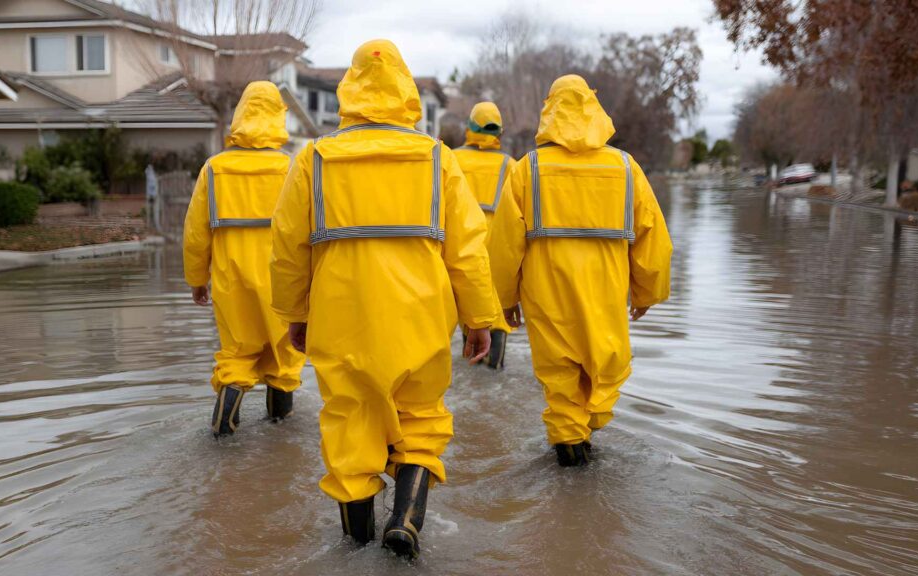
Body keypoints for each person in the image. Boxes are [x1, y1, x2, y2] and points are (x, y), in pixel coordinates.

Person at [270, 39, 497, 559]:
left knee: (350, 422)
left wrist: (295, 314)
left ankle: (355, 547)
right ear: (405, 87)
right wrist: (479, 318)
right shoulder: (437, 158)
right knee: (421, 417)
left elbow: (287, 248)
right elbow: (468, 250)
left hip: (341, 316)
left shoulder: (314, 159)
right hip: (422, 316)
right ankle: (406, 521)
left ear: (349, 86)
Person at [488, 75, 673, 467]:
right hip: (606, 294)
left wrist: (504, 301)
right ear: (594, 107)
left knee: (560, 379)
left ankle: (571, 453)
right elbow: (653, 238)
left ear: (549, 110)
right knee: (604, 369)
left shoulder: (527, 170)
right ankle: (582, 447)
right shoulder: (625, 168)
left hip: (547, 296)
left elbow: (503, 247)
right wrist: (646, 292)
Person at [183, 81, 305, 438]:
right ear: (278, 116)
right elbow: (308, 230)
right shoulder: (292, 168)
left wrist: (196, 280)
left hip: (231, 279)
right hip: (282, 279)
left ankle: (223, 429)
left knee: (237, 352)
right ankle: (281, 434)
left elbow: (195, 233)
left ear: (240, 114)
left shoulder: (214, 169)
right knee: (285, 355)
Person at [452, 102, 515, 369]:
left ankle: (471, 350)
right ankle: (494, 363)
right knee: (495, 297)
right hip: (496, 233)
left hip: (461, 231)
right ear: (499, 131)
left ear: (470, 127)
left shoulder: (451, 158)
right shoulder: (509, 164)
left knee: (465, 291)